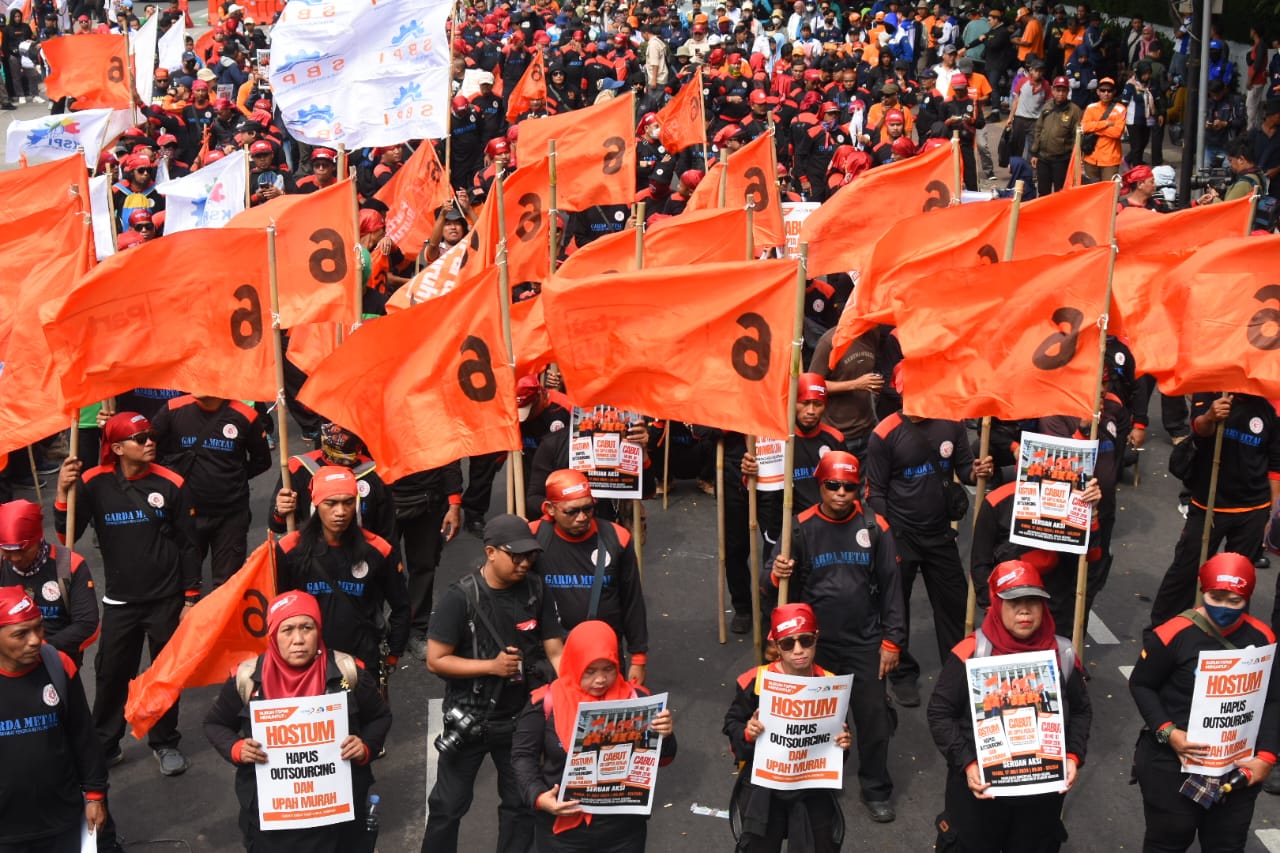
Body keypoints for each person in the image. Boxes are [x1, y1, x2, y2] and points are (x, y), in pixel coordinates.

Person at [55, 411, 200, 777]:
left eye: (151, 435)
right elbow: (66, 535)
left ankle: (165, 742)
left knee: (165, 676)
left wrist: (190, 598)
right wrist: (61, 493)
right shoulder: (92, 482)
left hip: (167, 598)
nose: (150, 441)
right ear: (117, 447)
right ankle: (105, 745)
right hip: (120, 601)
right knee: (110, 674)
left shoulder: (173, 484)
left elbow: (189, 545)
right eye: (141, 438)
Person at [768, 451, 905, 823]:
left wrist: (892, 642)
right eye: (833, 485)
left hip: (865, 640)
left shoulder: (876, 527)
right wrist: (777, 573)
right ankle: (814, 782)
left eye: (849, 486)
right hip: (813, 647)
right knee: (815, 721)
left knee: (874, 719)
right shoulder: (797, 527)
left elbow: (894, 589)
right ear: (820, 486)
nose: (842, 493)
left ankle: (876, 788)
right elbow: (773, 587)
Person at [203, 590, 392, 853]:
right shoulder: (246, 678)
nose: (299, 640)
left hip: (338, 819)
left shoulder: (348, 671)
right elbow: (215, 724)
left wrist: (365, 747)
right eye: (287, 630)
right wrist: (236, 748)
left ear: (319, 629)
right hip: (273, 821)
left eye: (307, 627)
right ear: (272, 635)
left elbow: (380, 716)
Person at [421, 514, 567, 853]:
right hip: (470, 720)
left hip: (521, 721)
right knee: (447, 807)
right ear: (490, 552)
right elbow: (435, 660)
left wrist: (571, 687)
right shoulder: (459, 598)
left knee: (520, 807)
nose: (525, 562)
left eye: (530, 555)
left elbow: (554, 648)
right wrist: (492, 666)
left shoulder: (536, 589)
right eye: (516, 555)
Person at [927, 560, 1091, 853]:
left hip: (1040, 798)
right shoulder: (971, 653)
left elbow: (1080, 710)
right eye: (1014, 602)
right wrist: (968, 762)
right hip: (980, 796)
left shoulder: (1063, 653)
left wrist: (1073, 756)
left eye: (1033, 602)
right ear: (996, 605)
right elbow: (940, 712)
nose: (1024, 610)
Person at [1131, 553, 1278, 852]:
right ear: (1203, 591)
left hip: (1235, 766)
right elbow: (1141, 684)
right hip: (1172, 763)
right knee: (1169, 839)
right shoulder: (1172, 634)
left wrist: (1266, 757)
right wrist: (1168, 732)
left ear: (1247, 598)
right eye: (1216, 597)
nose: (1223, 608)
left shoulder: (1263, 639)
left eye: (1234, 601)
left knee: (1227, 843)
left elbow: (1273, 700)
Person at [865, 407, 994, 707]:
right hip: (901, 534)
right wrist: (887, 537)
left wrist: (978, 471)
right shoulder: (883, 433)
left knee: (956, 604)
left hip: (939, 533)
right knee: (896, 606)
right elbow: (876, 492)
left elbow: (965, 470)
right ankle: (902, 673)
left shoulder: (951, 422)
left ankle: (958, 670)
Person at [512, 620, 676, 852]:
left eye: (608, 669)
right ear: (573, 663)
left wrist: (665, 735)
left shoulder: (637, 699)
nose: (600, 679)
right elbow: (522, 756)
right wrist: (538, 796)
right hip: (563, 833)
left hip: (623, 832)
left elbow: (664, 760)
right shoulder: (546, 701)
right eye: (590, 671)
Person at [723, 603, 853, 852]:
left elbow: (836, 748)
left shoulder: (831, 684)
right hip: (764, 787)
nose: (798, 651)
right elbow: (732, 725)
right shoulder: (755, 681)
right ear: (776, 646)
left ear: (816, 638)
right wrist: (747, 733)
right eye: (788, 643)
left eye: (805, 640)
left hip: (812, 786)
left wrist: (844, 744)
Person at [1148, 393, 1280, 629]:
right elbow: (1198, 429)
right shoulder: (1212, 393)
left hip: (1252, 509)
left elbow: (1275, 466)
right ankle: (1162, 632)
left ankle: (1226, 638)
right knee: (1185, 572)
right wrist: (1210, 417)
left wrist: (1272, 514)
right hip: (1208, 505)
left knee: (1237, 582)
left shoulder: (1270, 409)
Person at [0, 586, 112, 853]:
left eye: (38, 627)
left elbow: (83, 736)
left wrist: (96, 795)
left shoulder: (58, 665)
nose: (35, 640)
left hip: (63, 819)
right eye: (20, 634)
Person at [275, 466, 409, 679]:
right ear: (316, 504)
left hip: (361, 663)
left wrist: (393, 653)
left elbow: (401, 605)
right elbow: (277, 608)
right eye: (331, 503)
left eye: (348, 502)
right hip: (307, 664)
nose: (341, 512)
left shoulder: (379, 551)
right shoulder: (289, 550)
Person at [530, 469, 648, 684]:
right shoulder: (532, 537)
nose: (582, 517)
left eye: (588, 508)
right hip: (551, 653)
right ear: (550, 509)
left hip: (603, 656)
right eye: (572, 511)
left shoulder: (617, 538)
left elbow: (633, 601)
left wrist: (638, 659)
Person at [151, 394, 271, 589]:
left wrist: (232, 478)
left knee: (227, 586)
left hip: (231, 515)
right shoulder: (173, 409)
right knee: (182, 581)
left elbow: (262, 461)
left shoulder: (246, 415)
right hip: (186, 515)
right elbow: (143, 447)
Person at [0, 499, 99, 666]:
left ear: (39, 538)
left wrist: (40, 649)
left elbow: (87, 626)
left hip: (58, 662)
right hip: (10, 664)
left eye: (23, 550)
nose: (16, 558)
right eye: (8, 551)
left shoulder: (67, 564)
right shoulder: (2, 566)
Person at [1031, 74, 1082, 195]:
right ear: (1053, 90)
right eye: (1058, 90)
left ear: (1068, 92)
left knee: (1060, 192)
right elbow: (1039, 129)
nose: (1060, 94)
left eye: (1063, 91)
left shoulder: (1074, 111)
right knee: (1043, 191)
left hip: (1061, 159)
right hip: (1043, 157)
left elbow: (1078, 137)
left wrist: (1076, 159)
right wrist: (1034, 153)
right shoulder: (1047, 106)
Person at [1080, 76, 1124, 181]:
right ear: (1098, 92)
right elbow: (1085, 127)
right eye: (1103, 90)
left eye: (1109, 90)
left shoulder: (1120, 109)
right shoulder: (1091, 108)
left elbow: (1117, 132)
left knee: (1108, 192)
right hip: (1091, 156)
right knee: (1091, 191)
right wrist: (1106, 123)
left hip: (1110, 158)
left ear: (1114, 92)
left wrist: (1095, 127)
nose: (1106, 93)